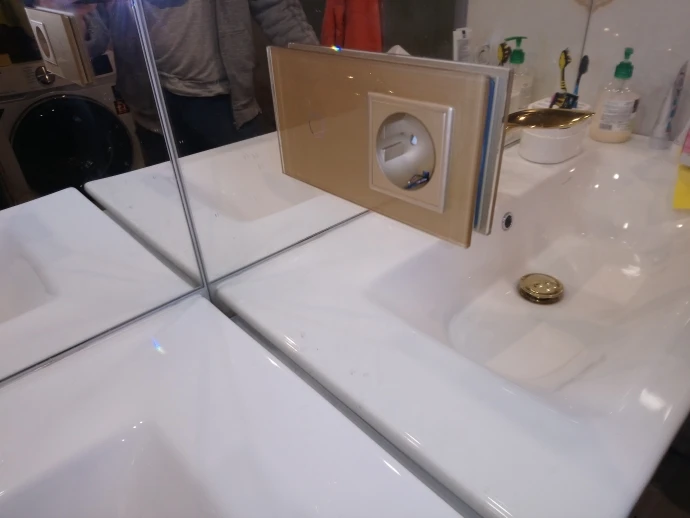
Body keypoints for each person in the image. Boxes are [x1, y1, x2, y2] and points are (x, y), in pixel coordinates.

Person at [84, 0, 317, 164]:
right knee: (172, 209)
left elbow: (277, 7)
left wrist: (319, 68)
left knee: (250, 196)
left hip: (225, 102)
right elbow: (94, 33)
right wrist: (76, 18)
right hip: (151, 103)